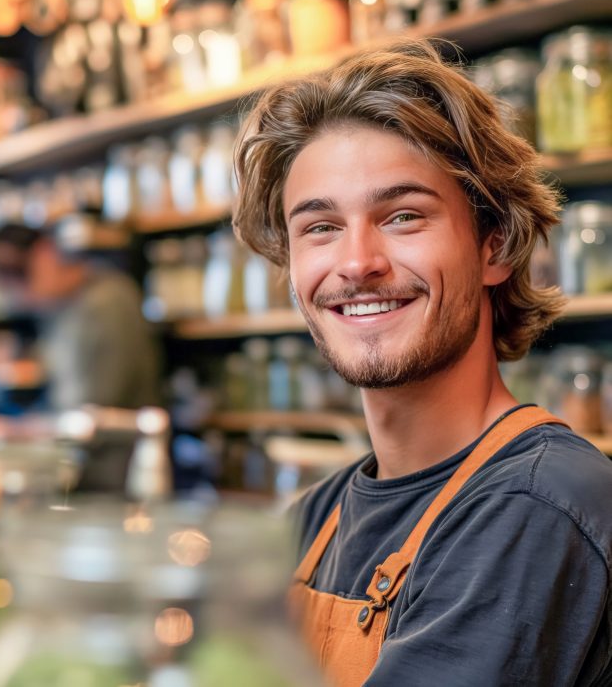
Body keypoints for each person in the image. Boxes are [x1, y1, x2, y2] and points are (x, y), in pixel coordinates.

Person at [232, 39, 612, 686]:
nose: (357, 263)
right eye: (320, 227)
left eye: (403, 216)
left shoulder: (539, 504)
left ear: (496, 246)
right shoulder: (313, 519)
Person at [0, 221, 162, 488]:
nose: (17, 296)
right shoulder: (62, 309)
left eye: (18, 275)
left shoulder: (107, 303)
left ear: (45, 253)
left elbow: (93, 413)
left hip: (112, 480)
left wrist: (12, 430)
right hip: (78, 470)